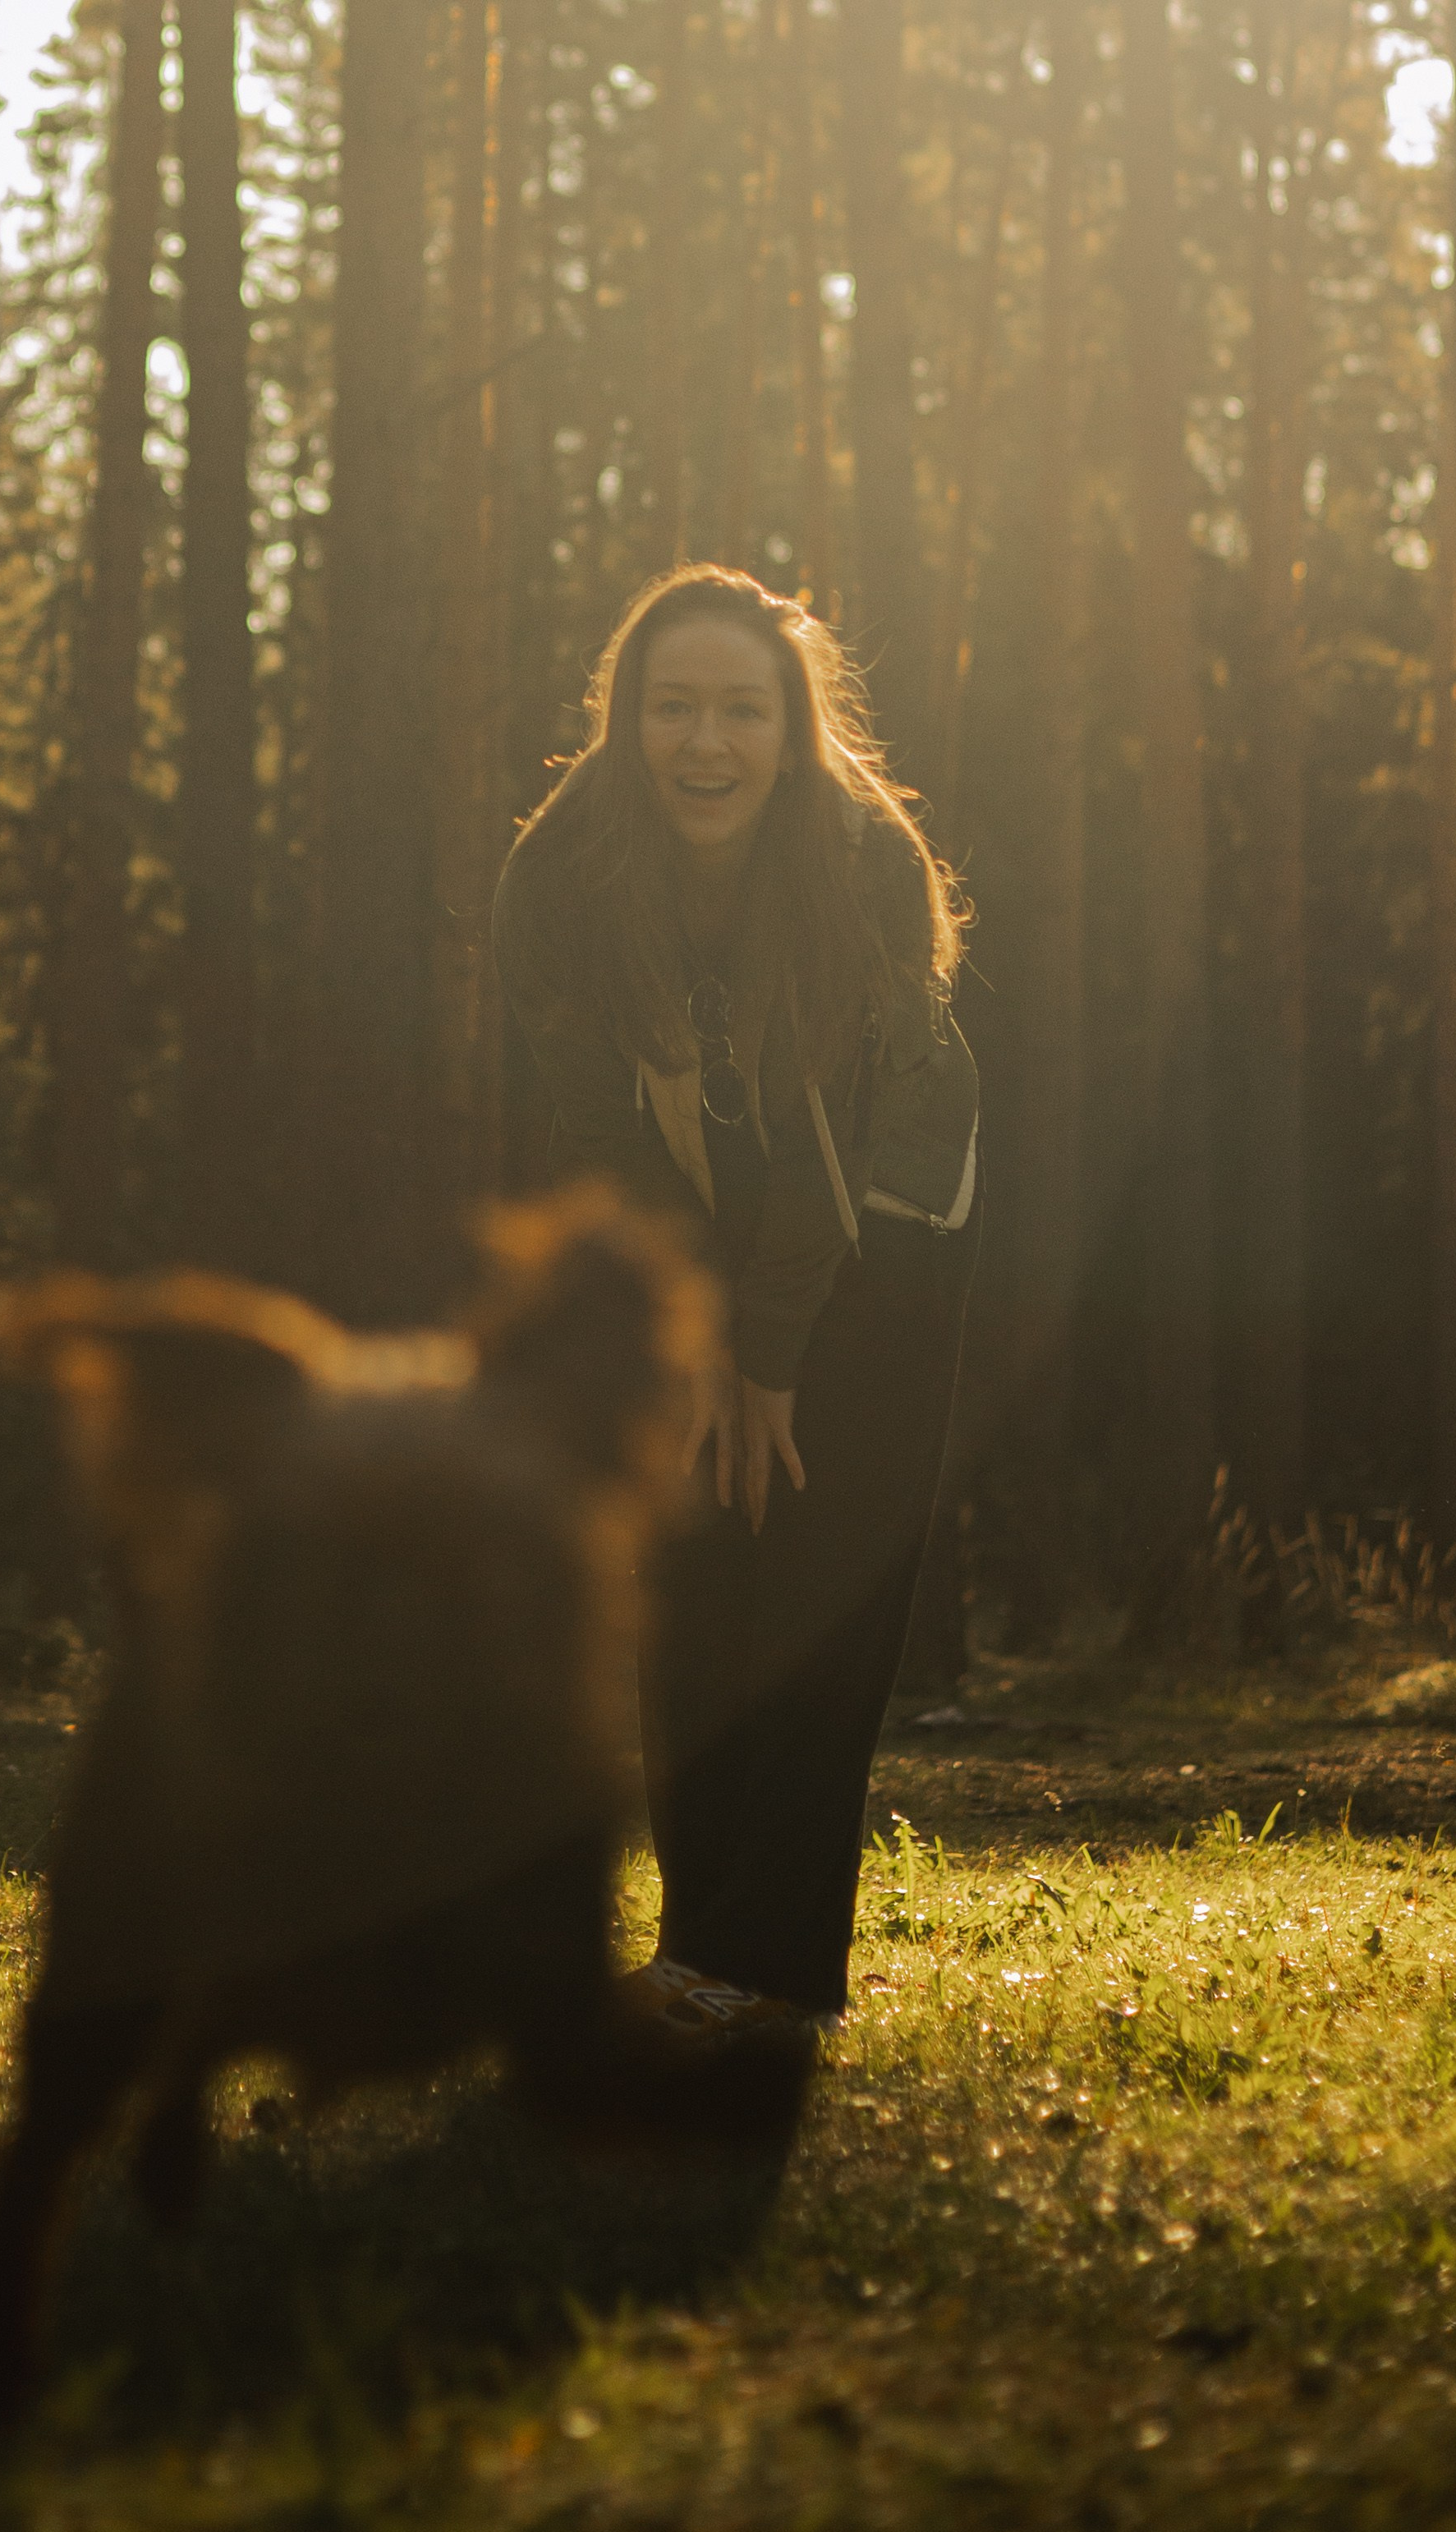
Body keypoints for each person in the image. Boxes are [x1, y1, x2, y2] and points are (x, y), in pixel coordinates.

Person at [494, 565, 979, 2039]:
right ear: (626, 718)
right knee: (694, 1567)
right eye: (675, 707)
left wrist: (768, 1356)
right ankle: (704, 1951)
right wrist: (687, 1339)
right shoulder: (564, 871)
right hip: (685, 1235)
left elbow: (842, 1148)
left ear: (794, 728)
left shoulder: (863, 860)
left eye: (743, 712)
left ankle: (780, 1972)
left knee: (823, 1577)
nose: (707, 743)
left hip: (891, 1227)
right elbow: (582, 1136)